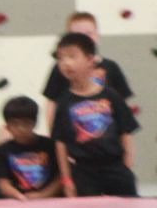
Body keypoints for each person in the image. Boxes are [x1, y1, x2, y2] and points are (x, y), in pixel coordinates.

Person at [49, 32, 140, 198]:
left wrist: (127, 162)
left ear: (90, 60)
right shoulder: (63, 102)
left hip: (115, 166)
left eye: (72, 56)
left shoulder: (111, 96)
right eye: (61, 58)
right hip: (84, 171)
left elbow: (126, 131)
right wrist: (67, 179)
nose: (66, 63)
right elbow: (60, 143)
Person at [41, 11, 135, 108]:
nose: (84, 39)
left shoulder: (111, 67)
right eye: (77, 35)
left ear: (97, 36)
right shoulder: (61, 68)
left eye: (88, 34)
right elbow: (52, 101)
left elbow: (123, 101)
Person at [0, 96, 63, 201]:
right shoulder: (3, 150)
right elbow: (3, 182)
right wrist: (19, 196)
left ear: (35, 123)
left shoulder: (50, 145)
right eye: (15, 124)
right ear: (7, 127)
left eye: (26, 123)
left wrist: (42, 195)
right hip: (17, 202)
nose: (21, 128)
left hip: (51, 200)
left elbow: (60, 178)